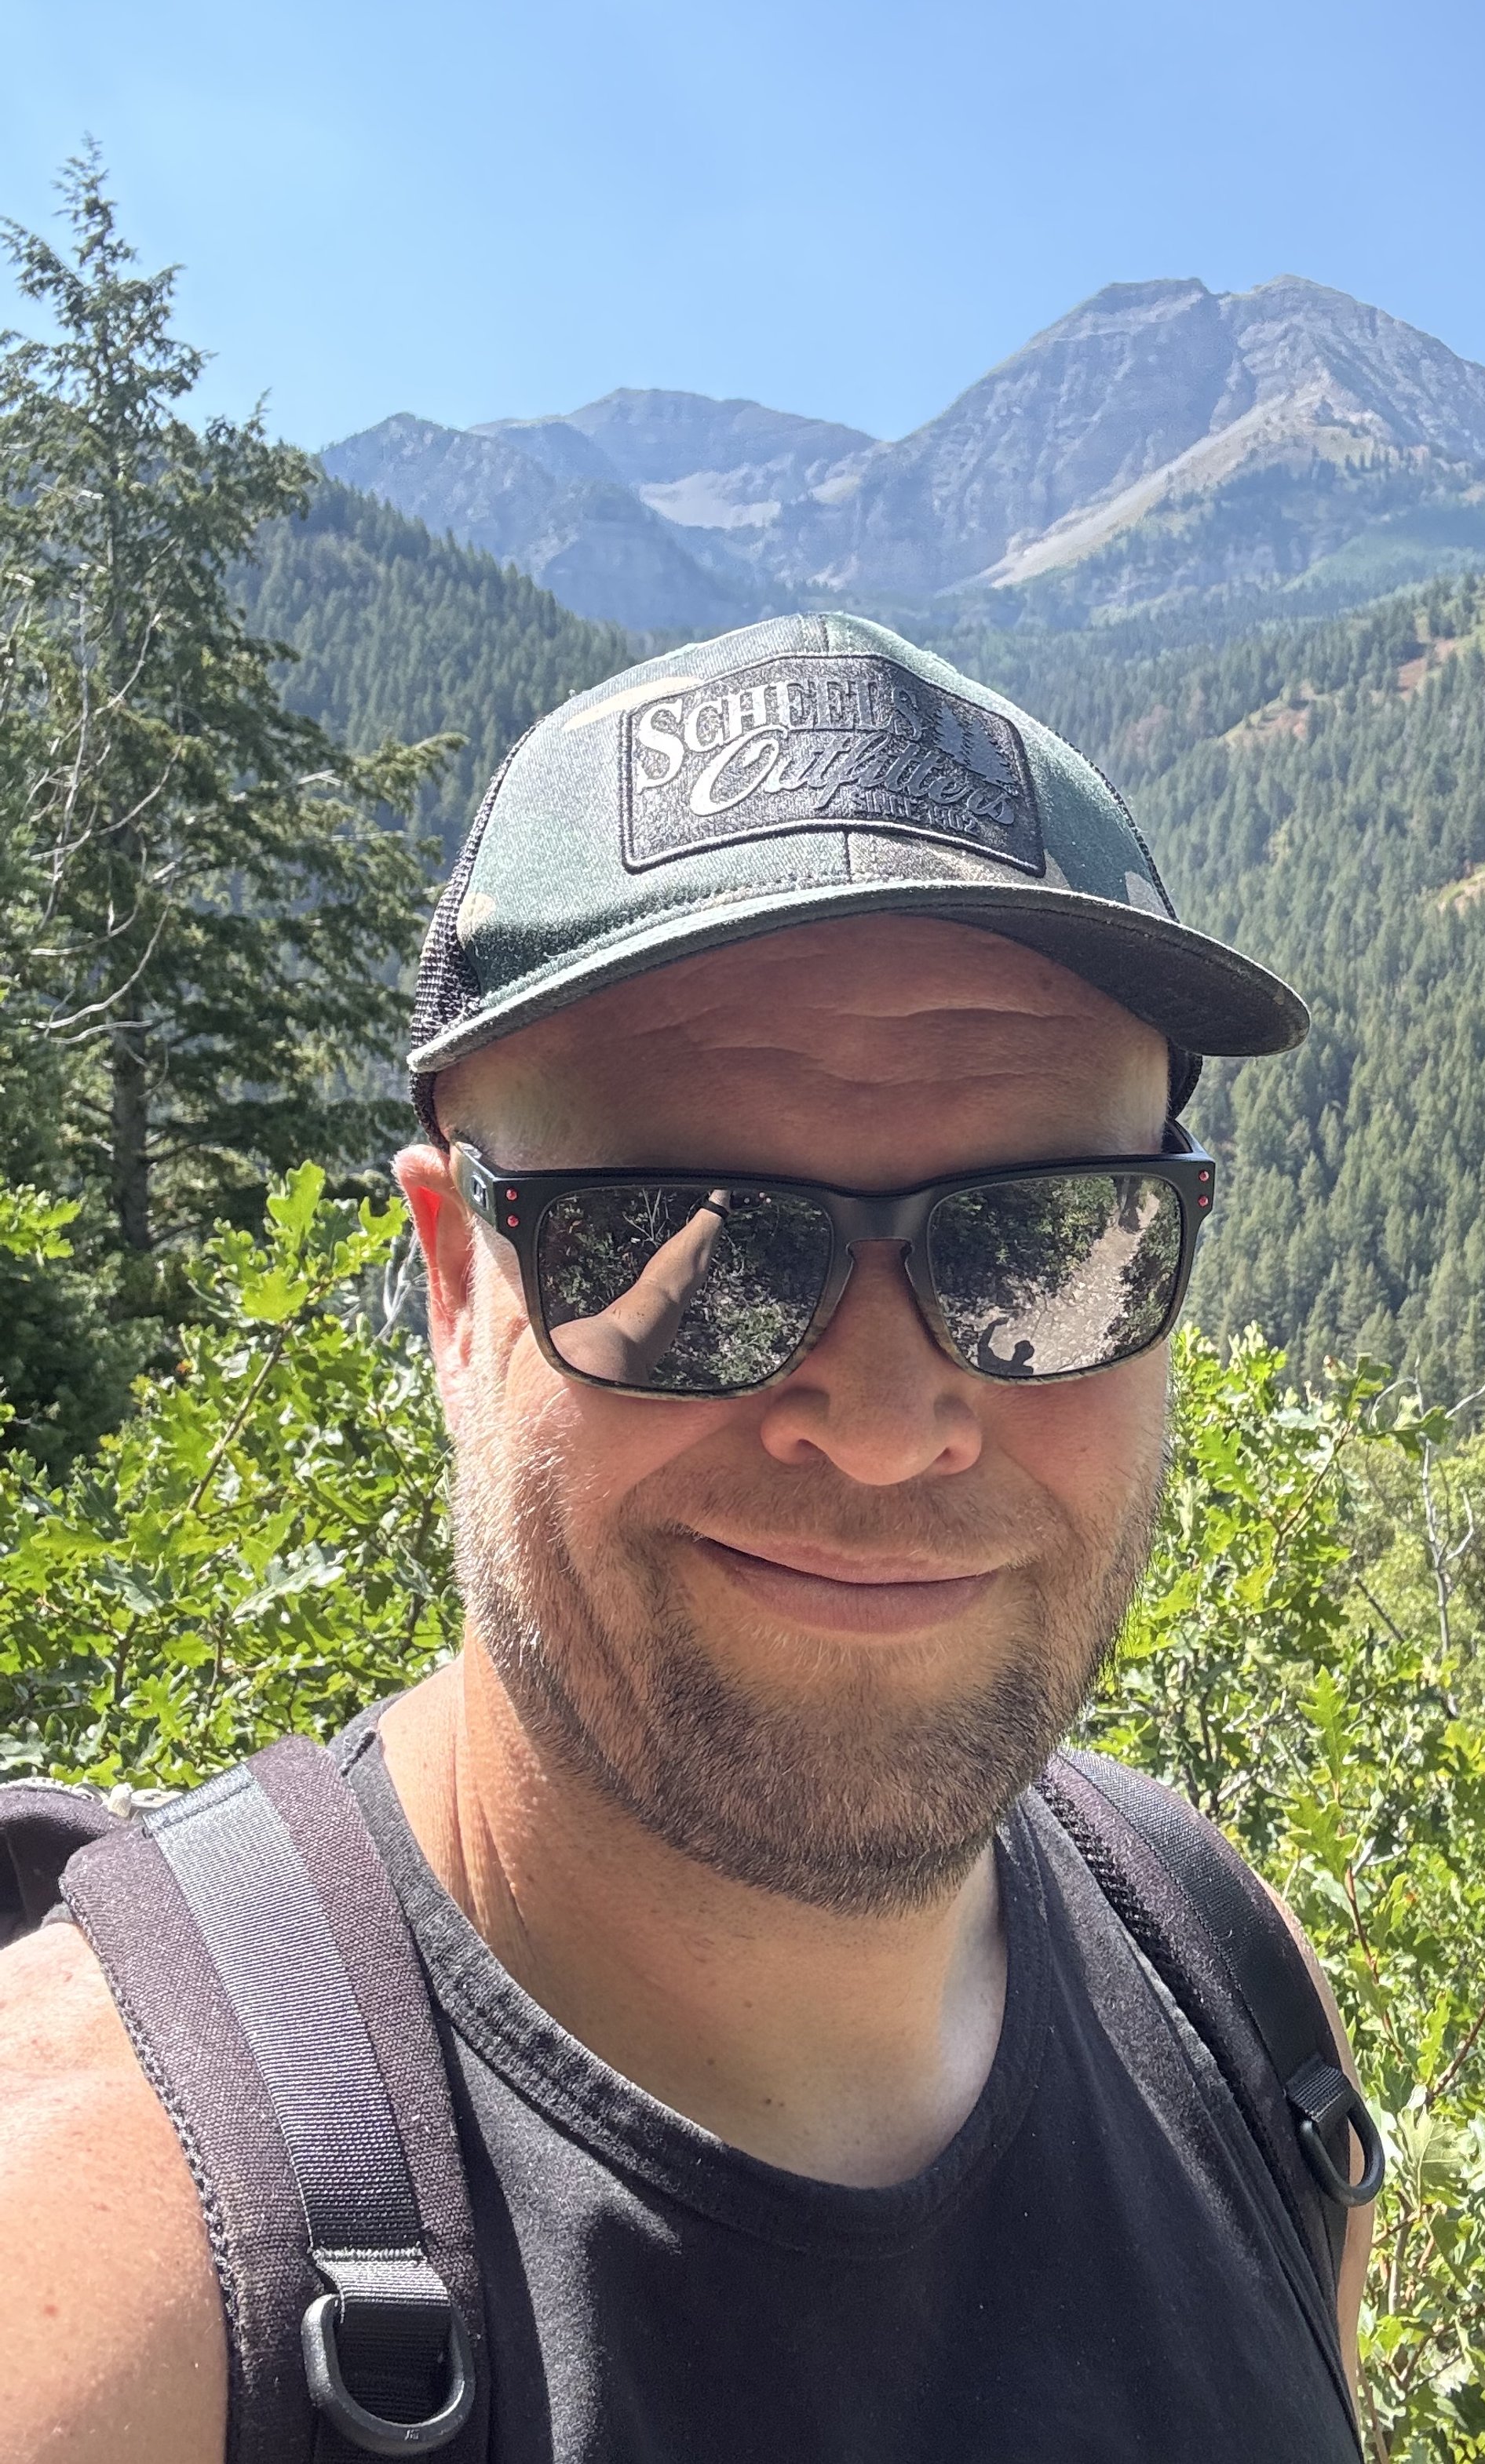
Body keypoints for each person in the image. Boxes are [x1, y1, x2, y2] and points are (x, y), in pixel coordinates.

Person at [0, 614, 1371, 2461]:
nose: (888, 1426)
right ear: (451, 1283)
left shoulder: (1237, 2004)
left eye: (1044, 1242)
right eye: (703, 1248)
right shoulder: (112, 2278)